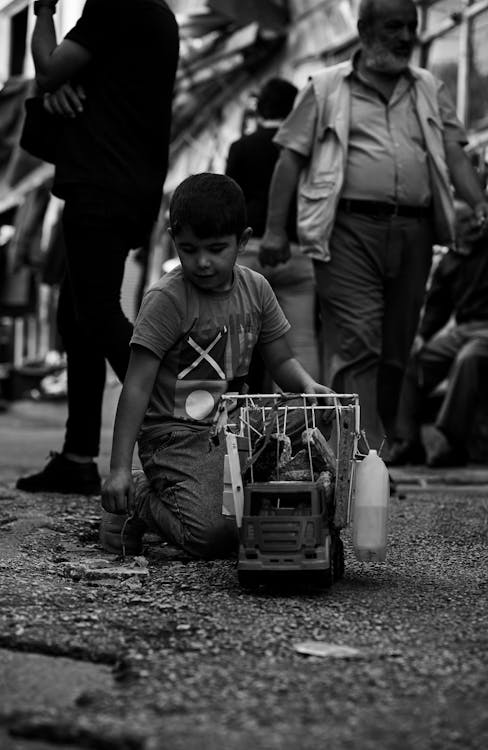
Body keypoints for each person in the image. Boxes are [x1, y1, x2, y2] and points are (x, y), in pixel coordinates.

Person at [259, 0, 488, 457]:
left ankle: (366, 446)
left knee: (395, 351)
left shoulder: (429, 87)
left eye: (412, 26)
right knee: (358, 344)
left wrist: (480, 201)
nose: (406, 37)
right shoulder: (326, 87)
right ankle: (363, 458)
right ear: (365, 29)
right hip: (347, 229)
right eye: (394, 26)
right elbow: (289, 159)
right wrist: (274, 231)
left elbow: (453, 153)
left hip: (415, 232)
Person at [100, 173, 333, 559]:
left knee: (321, 415)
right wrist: (119, 469)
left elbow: (282, 360)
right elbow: (137, 386)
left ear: (243, 240)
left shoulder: (257, 288)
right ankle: (142, 496)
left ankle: (244, 493)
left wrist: (308, 386)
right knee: (214, 538)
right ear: (174, 239)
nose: (203, 262)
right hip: (175, 435)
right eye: (189, 249)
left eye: (216, 248)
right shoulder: (166, 299)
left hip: (236, 425)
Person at [16, 0, 179, 495]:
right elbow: (77, 79)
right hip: (126, 183)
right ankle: (76, 457)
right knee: (76, 314)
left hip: (100, 184)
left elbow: (46, 70)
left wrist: (43, 11)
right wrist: (62, 84)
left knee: (98, 315)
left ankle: (180, 426)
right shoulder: (155, 13)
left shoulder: (115, 5)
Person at [387, 202, 488, 468]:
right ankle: (408, 441)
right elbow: (437, 308)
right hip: (463, 329)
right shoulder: (449, 261)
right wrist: (421, 337)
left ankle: (452, 441)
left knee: (467, 360)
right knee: (413, 361)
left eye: (472, 220)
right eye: (462, 221)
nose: (470, 225)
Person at [226, 78, 320, 390]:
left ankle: (241, 419)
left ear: (260, 108)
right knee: (301, 343)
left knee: (242, 341)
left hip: (250, 253)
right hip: (295, 252)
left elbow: (228, 204)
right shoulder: (304, 150)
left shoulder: (241, 148)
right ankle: (303, 423)